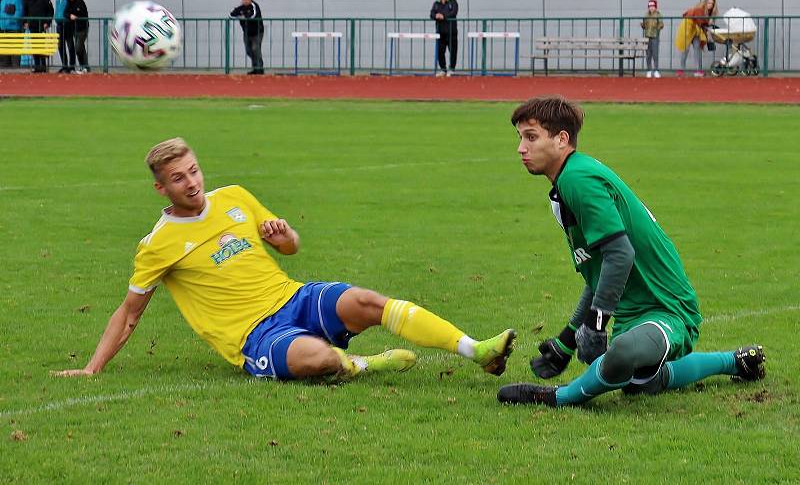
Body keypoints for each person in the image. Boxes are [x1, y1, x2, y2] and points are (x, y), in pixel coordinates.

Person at [55, 138, 517, 382]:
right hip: (253, 335)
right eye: (178, 178)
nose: (192, 183)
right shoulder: (157, 245)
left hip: (292, 297)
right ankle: (364, 365)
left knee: (367, 301)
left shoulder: (234, 197)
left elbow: (291, 247)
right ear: (162, 188)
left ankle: (475, 350)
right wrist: (93, 368)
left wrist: (285, 236)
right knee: (317, 359)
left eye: (193, 170)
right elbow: (129, 314)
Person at [497, 96, 765, 407]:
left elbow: (621, 254)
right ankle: (735, 362)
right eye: (520, 138)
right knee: (641, 383)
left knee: (621, 355)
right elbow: (599, 273)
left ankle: (560, 397)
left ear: (561, 140)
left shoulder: (576, 179)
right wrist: (567, 341)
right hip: (633, 313)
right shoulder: (568, 182)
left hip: (667, 310)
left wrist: (596, 326)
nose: (521, 148)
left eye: (531, 137)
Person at [675, 0, 718, 77]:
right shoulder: (699, 9)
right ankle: (681, 69)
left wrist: (708, 25)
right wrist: (708, 24)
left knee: (697, 49)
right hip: (688, 28)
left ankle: (697, 70)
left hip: (697, 31)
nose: (710, 5)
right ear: (705, 2)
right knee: (685, 49)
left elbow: (704, 25)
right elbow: (700, 22)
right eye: (709, 3)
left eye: (712, 4)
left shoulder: (710, 13)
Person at [23, 0, 54, 73]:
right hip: (32, 25)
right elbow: (25, 11)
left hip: (42, 25)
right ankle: (37, 67)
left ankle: (43, 67)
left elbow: (50, 11)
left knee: (42, 46)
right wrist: (25, 22)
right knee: (34, 46)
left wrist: (47, 22)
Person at [230, 0, 264, 75]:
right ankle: (255, 67)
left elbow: (254, 15)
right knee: (249, 51)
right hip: (246, 33)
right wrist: (239, 16)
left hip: (257, 32)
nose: (243, 1)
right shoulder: (240, 7)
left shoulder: (254, 6)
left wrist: (244, 17)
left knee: (256, 49)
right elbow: (231, 15)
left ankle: (259, 68)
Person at [430, 0, 458, 77]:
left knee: (453, 51)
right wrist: (436, 16)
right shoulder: (436, 3)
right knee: (440, 51)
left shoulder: (453, 2)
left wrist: (443, 16)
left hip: (451, 31)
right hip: (440, 32)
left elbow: (453, 13)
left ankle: (452, 69)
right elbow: (431, 13)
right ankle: (443, 69)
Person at [64, 0, 89, 73]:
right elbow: (65, 13)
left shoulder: (80, 2)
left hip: (82, 28)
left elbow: (85, 15)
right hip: (74, 28)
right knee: (80, 47)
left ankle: (84, 66)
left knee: (78, 47)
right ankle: (84, 66)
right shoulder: (68, 1)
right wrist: (70, 16)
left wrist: (77, 17)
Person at [0, 0, 24, 68]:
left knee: (15, 52)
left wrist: (6, 17)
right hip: (3, 30)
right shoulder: (3, 0)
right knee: (4, 52)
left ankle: (16, 70)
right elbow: (1, 14)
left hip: (15, 30)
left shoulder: (18, 0)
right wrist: (9, 15)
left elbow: (18, 15)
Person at [641, 0, 663, 78]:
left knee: (655, 54)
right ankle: (649, 70)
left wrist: (658, 27)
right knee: (648, 54)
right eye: (650, 6)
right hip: (647, 36)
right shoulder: (646, 15)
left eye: (653, 6)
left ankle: (656, 70)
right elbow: (644, 25)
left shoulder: (658, 14)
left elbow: (661, 24)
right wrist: (642, 25)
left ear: (655, 7)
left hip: (655, 36)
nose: (651, 8)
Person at [54, 0, 70, 73]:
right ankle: (64, 65)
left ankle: (70, 66)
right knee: (60, 45)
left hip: (67, 23)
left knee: (70, 45)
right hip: (59, 24)